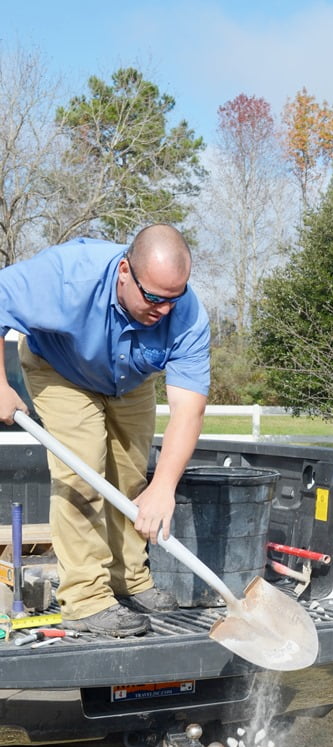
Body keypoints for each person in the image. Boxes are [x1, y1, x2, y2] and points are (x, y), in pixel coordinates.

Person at [0, 224, 210, 637]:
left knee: (133, 477)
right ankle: (86, 598)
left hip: (130, 379)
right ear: (124, 272)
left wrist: (164, 487)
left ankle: (127, 579)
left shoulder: (187, 314)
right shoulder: (67, 276)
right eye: (153, 298)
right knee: (83, 474)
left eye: (174, 298)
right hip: (60, 369)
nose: (164, 310)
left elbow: (189, 409)